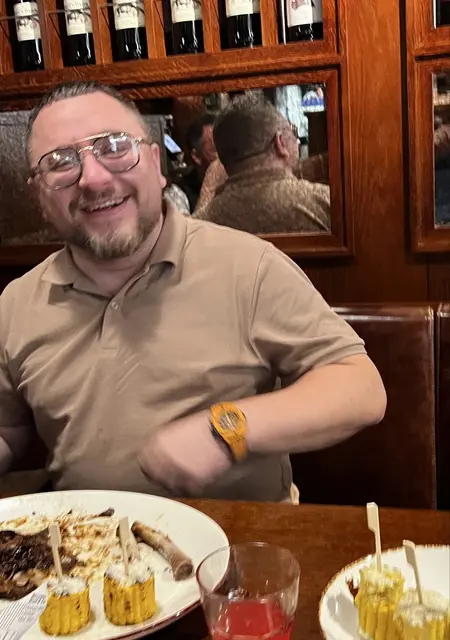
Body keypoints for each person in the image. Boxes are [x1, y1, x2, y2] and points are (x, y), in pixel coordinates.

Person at [0, 81, 386, 502]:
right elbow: (7, 431)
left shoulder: (248, 266)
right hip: (84, 538)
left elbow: (360, 388)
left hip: (243, 534)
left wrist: (223, 430)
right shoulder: (15, 304)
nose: (93, 178)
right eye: (60, 162)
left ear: (155, 163)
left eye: (115, 147)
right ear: (38, 194)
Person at [194, 94, 331, 234]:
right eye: (292, 131)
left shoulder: (202, 224)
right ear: (280, 142)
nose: (296, 140)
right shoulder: (325, 202)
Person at [177, 112, 218, 211]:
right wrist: (209, 187)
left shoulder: (240, 182)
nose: (227, 155)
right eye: (217, 149)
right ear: (196, 156)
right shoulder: (179, 193)